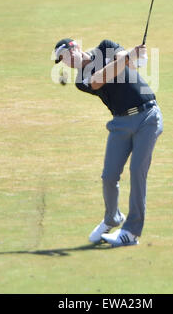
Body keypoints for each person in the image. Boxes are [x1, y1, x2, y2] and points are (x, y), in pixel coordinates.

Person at [54, 38, 163, 247]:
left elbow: (127, 61)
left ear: (75, 46)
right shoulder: (81, 80)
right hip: (120, 124)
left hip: (148, 116)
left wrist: (133, 57)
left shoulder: (105, 46)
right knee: (109, 176)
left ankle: (131, 232)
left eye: (65, 56)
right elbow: (99, 79)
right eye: (62, 61)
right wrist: (128, 57)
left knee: (137, 171)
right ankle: (112, 218)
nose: (66, 62)